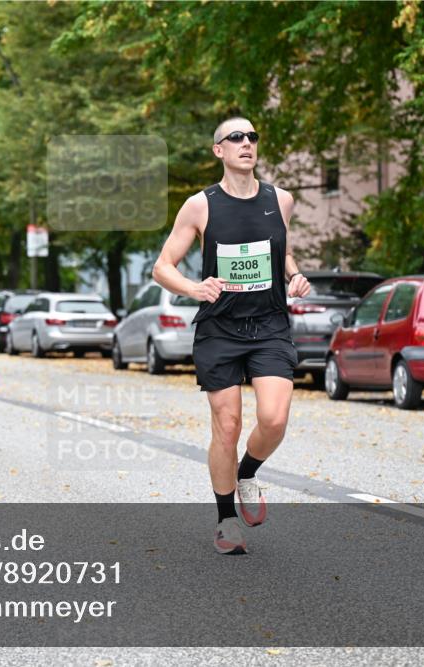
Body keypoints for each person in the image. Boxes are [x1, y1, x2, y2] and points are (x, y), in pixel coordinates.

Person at [152, 117, 311, 554]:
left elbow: (282, 250)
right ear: (218, 150)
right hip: (219, 329)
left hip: (270, 326)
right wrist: (193, 288)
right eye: (236, 137)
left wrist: (294, 275)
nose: (246, 143)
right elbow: (162, 267)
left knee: (274, 419)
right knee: (227, 425)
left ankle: (247, 472)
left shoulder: (281, 199)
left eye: (252, 137)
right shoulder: (199, 206)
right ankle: (226, 521)